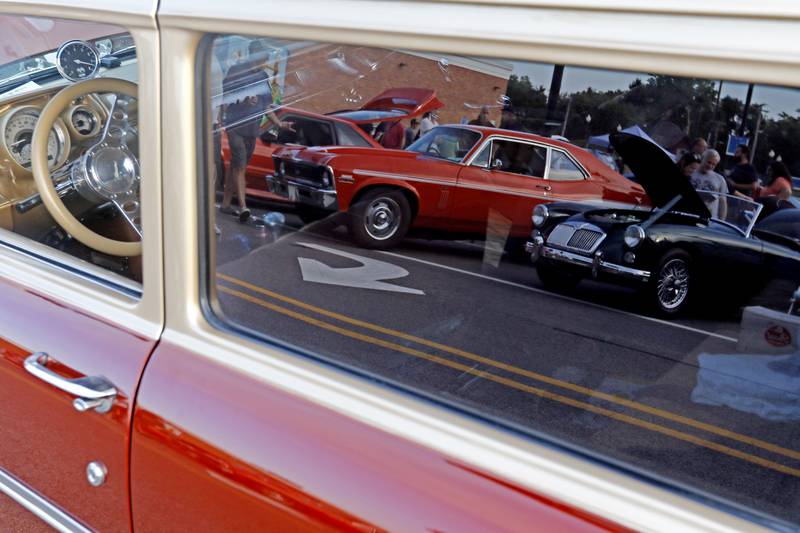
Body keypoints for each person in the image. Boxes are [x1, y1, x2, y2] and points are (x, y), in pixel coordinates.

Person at [220, 40, 286, 222]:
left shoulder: (263, 76)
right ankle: (243, 207)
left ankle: (225, 205)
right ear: (254, 54)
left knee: (236, 167)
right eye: (263, 55)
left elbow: (266, 106)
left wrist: (279, 123)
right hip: (236, 126)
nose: (265, 59)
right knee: (240, 166)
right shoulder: (237, 71)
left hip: (252, 130)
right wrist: (243, 100)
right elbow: (225, 96)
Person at [690, 149, 728, 220]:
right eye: (709, 162)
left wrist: (722, 221)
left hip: (710, 219)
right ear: (702, 158)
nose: (710, 166)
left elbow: (723, 202)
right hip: (689, 214)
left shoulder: (720, 179)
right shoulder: (690, 173)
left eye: (714, 164)